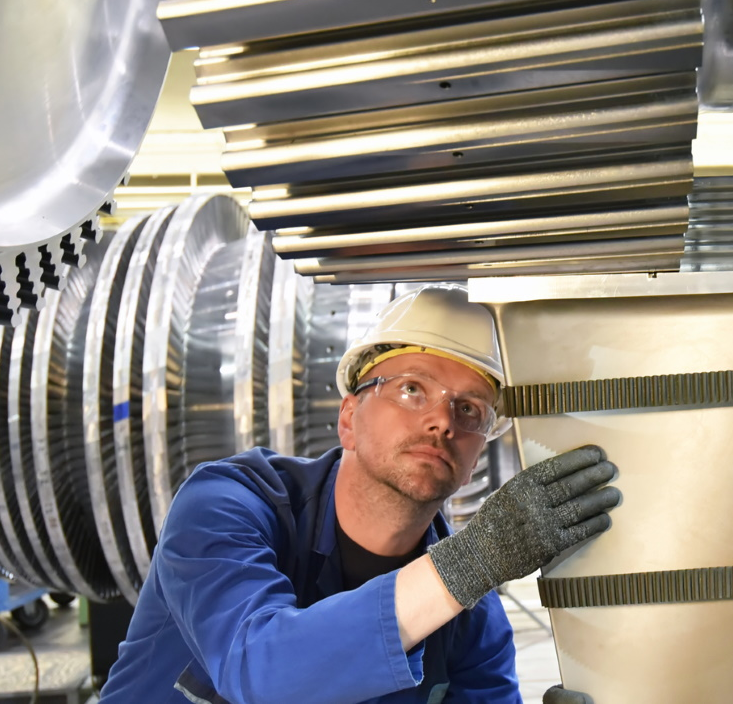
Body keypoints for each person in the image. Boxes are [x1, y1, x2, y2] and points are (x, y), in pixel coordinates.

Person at [98, 284, 622, 704]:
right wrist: (472, 562)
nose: (442, 420)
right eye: (411, 388)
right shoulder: (227, 506)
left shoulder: (470, 622)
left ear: (473, 462)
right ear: (348, 417)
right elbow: (259, 669)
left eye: (469, 410)